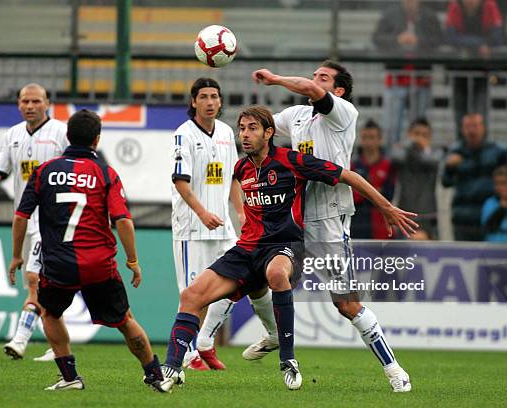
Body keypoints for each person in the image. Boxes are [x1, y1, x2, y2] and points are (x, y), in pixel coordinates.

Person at [160, 106, 418, 391]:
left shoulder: (291, 161)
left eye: (252, 128)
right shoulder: (242, 167)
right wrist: (239, 212)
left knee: (281, 276)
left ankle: (288, 359)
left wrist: (386, 207)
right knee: (192, 295)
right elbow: (234, 186)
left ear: (269, 133)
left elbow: (348, 176)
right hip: (248, 249)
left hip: (286, 246)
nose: (244, 135)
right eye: (242, 128)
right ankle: (171, 368)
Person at [251, 61, 413, 392]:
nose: (315, 81)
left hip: (329, 217)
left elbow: (311, 91)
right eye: (314, 76)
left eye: (323, 78)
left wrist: (276, 79)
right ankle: (272, 332)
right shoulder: (297, 116)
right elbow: (264, 124)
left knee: (345, 303)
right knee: (256, 276)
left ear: (337, 90)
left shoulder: (342, 114)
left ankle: (394, 369)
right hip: (294, 216)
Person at [9, 109, 169, 392]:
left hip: (58, 264)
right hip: (99, 264)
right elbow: (123, 221)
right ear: (97, 139)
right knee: (124, 320)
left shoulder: (44, 171)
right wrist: (132, 260)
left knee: (50, 314)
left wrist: (16, 256)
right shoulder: (105, 173)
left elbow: (21, 216)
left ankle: (70, 377)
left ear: (68, 136)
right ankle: (155, 375)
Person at [0, 83, 69, 361]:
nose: (29, 106)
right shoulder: (12, 135)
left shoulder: (61, 133)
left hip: (54, 223)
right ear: (18, 104)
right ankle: (58, 343)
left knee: (34, 279)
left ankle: (20, 339)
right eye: (25, 101)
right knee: (49, 284)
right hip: (26, 222)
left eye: (36, 101)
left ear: (47, 103)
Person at [170, 78, 245, 370]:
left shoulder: (227, 132)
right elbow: (180, 182)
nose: (211, 102)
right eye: (204, 97)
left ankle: (204, 341)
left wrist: (240, 213)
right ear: (194, 102)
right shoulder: (184, 135)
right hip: (191, 228)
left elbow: (232, 179)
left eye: (215, 96)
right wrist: (201, 213)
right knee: (192, 295)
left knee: (237, 284)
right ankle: (190, 355)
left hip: (223, 228)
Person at [442, 112, 507, 241]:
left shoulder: (495, 150)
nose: (472, 131)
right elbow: (445, 182)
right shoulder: (455, 152)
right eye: (468, 126)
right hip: (463, 220)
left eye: (475, 126)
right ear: (462, 129)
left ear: (483, 128)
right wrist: (449, 167)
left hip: (489, 216)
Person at [372, 0, 443, 147]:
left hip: (421, 79)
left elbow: (438, 39)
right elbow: (377, 38)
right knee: (392, 128)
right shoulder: (390, 14)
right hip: (396, 78)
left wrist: (419, 40)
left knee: (419, 127)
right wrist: (397, 39)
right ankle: (391, 161)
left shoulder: (429, 16)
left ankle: (418, 159)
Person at [445, 0, 504, 132]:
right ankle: (461, 142)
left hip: (483, 67)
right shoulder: (455, 6)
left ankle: (481, 142)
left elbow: (498, 38)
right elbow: (450, 37)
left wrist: (466, 42)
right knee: (459, 109)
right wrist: (479, 44)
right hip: (458, 67)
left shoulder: (489, 6)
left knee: (480, 109)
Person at [392, 117, 442, 239]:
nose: (420, 138)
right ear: (409, 134)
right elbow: (395, 157)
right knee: (402, 255)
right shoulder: (403, 152)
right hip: (404, 213)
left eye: (424, 135)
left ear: (430, 137)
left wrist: (419, 149)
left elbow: (432, 161)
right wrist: (412, 146)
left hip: (428, 215)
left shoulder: (436, 153)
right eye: (416, 134)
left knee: (428, 255)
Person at [351, 119, 396, 239]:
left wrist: (362, 191)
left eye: (372, 137)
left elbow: (388, 195)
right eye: (365, 137)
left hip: (380, 223)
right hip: (357, 223)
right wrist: (375, 192)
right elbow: (351, 196)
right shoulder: (353, 165)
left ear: (379, 140)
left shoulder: (387, 166)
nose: (368, 141)